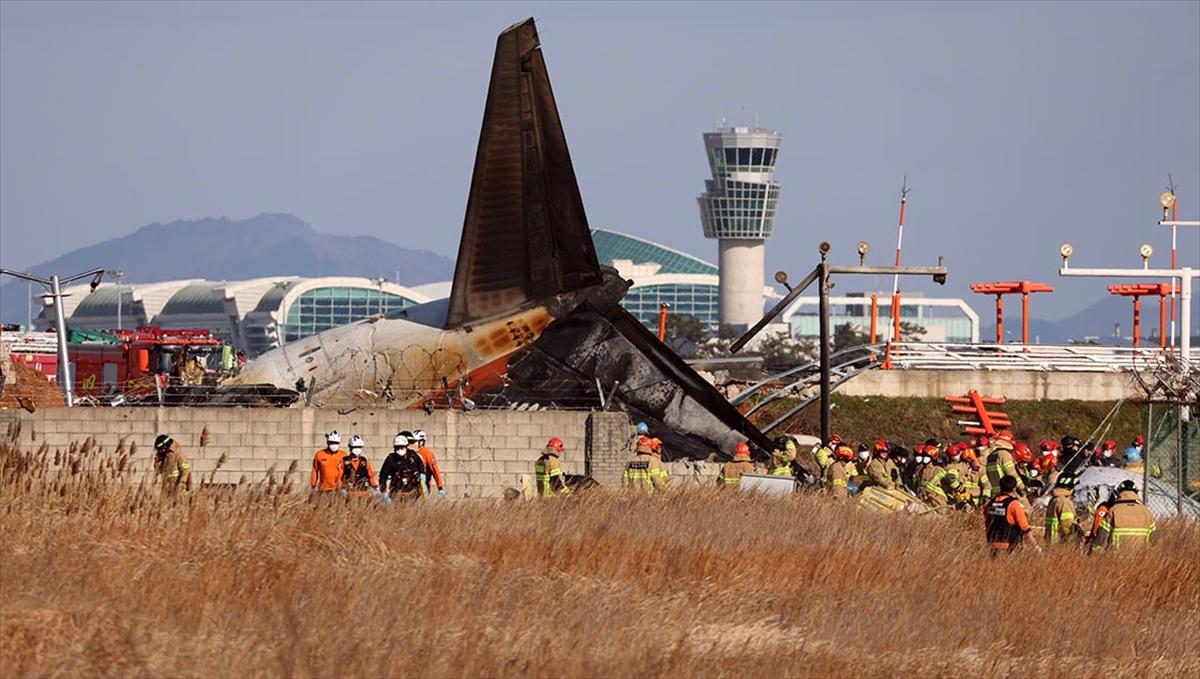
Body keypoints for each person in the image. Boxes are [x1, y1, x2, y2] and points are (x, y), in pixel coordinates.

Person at [1094, 480, 1156, 553]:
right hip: (1141, 558)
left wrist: (1094, 554)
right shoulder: (1146, 512)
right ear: (1136, 493)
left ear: (1119, 492)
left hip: (1116, 559)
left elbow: (1102, 537)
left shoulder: (1113, 510)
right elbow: (1154, 541)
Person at [984, 476, 1034, 555]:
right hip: (1010, 547)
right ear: (1014, 489)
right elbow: (1025, 528)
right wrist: (1036, 546)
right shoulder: (1014, 504)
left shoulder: (990, 504)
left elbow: (987, 524)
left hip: (992, 545)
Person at [380, 433, 428, 501]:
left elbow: (421, 468)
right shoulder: (391, 459)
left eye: (402, 447)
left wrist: (422, 479)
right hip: (396, 494)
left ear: (406, 446)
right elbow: (383, 475)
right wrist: (383, 491)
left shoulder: (413, 456)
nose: (400, 449)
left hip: (413, 493)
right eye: (397, 447)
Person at [982, 430, 1024, 499]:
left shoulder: (992, 454)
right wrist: (1021, 487)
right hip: (1006, 491)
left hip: (995, 493)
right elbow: (1011, 473)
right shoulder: (1004, 454)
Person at [1044, 474, 1078, 546]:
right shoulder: (1064, 502)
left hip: (1050, 543)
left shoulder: (1054, 500)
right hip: (1060, 545)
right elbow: (1068, 526)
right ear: (1069, 487)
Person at [310, 431, 346, 495]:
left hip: (339, 489)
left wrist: (346, 487)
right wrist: (313, 486)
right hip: (323, 489)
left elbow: (348, 472)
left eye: (336, 443)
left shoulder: (343, 455)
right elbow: (314, 471)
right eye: (332, 442)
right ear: (327, 442)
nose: (334, 444)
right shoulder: (319, 455)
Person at [412, 429, 446, 497]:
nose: (413, 444)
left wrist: (440, 487)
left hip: (423, 486)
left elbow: (435, 471)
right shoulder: (410, 453)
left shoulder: (428, 454)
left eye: (415, 441)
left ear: (421, 442)